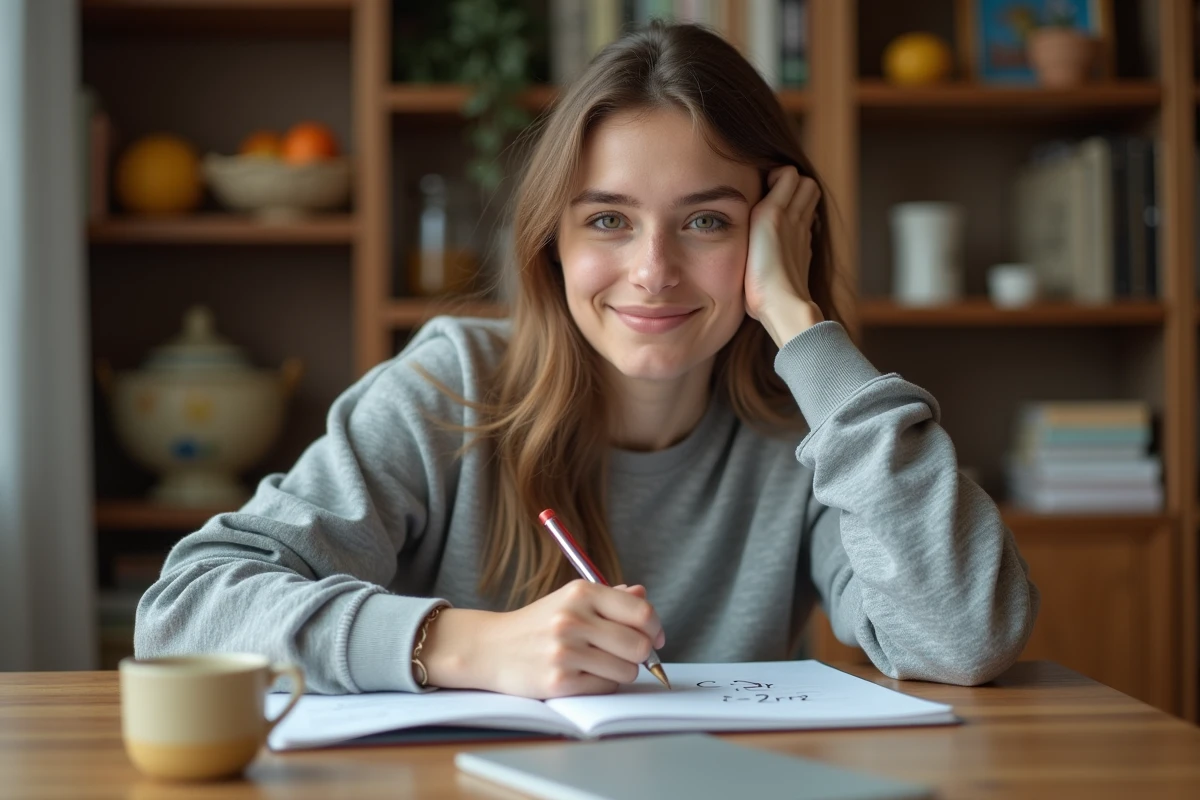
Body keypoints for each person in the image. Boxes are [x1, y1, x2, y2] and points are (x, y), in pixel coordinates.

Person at [135, 22, 1038, 698]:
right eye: (608, 219)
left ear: (774, 238)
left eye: (707, 221)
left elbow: (964, 638)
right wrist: (464, 646)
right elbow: (184, 615)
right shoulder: (452, 385)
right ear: (554, 244)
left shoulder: (817, 429)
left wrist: (801, 325)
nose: (653, 272)